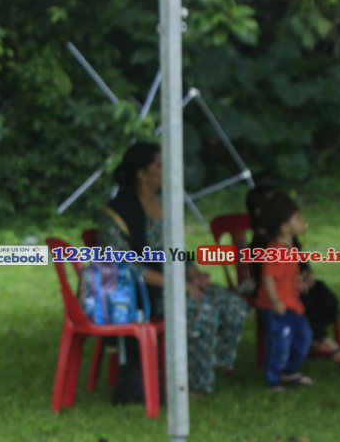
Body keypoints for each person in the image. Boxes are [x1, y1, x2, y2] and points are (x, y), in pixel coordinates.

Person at [97, 142, 247, 396]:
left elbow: (175, 249)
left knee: (234, 306)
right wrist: (175, 284)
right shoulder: (117, 213)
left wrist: (192, 273)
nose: (168, 169)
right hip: (141, 294)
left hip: (175, 283)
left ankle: (207, 368)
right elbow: (123, 265)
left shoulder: (165, 202)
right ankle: (191, 386)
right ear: (142, 174)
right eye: (160, 165)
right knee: (201, 310)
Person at [245, 186, 340, 364]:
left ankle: (312, 338)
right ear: (260, 211)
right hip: (275, 292)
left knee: (324, 295)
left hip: (294, 284)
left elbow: (300, 263)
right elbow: (268, 277)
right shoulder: (262, 244)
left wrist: (307, 275)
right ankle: (322, 338)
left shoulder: (288, 238)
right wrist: (295, 281)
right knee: (303, 295)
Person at [253, 191, 315, 390]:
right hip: (276, 307)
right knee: (279, 343)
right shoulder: (275, 250)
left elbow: (285, 275)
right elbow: (268, 276)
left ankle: (289, 371)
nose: (302, 221)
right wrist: (275, 301)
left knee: (303, 338)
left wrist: (298, 282)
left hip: (292, 304)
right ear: (285, 227)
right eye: (298, 218)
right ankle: (274, 379)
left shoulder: (290, 248)